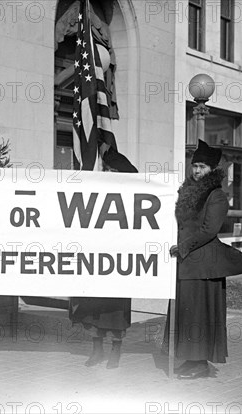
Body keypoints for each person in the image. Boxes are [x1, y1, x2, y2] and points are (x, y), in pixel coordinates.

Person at [164, 140, 242, 380]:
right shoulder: (187, 192)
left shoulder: (217, 196)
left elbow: (208, 230)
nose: (196, 171)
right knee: (187, 312)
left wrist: (182, 247)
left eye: (202, 167)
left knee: (199, 315)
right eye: (195, 166)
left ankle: (200, 364)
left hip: (203, 264)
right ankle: (190, 359)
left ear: (212, 170)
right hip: (186, 263)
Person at [69, 147, 138, 369]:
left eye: (113, 170)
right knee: (94, 308)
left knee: (116, 310)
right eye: (106, 169)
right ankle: (97, 350)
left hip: (120, 262)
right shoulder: (97, 192)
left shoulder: (133, 196)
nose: (108, 173)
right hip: (98, 261)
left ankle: (115, 351)